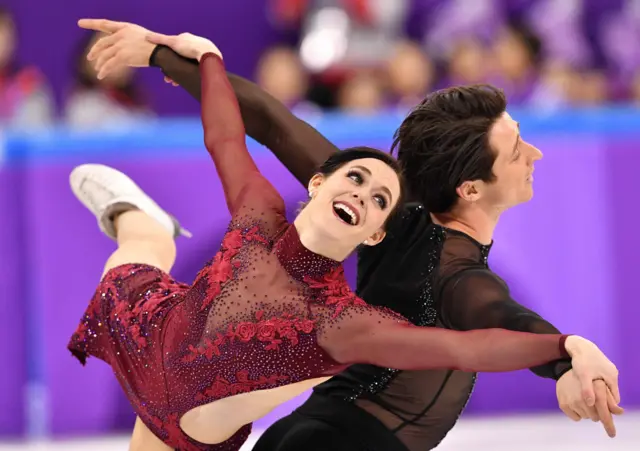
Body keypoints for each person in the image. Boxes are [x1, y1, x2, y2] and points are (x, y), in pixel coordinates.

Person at [75, 20, 622, 450]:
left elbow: (478, 336)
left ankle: (142, 222)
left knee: (144, 257)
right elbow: (244, 130)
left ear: (377, 229)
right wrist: (187, 56)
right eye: (518, 147)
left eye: (377, 196)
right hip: (210, 366)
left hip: (223, 419)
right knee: (135, 255)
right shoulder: (357, 225)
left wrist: (566, 355)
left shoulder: (362, 270)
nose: (536, 154)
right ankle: (139, 219)